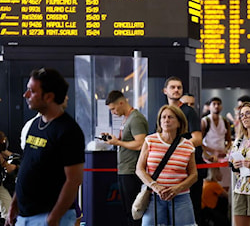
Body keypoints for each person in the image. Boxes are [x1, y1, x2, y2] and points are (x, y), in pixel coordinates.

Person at [6, 68, 85, 226]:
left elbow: (73, 180)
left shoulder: (68, 131)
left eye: (32, 91)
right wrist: (14, 204)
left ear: (49, 97)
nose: (26, 95)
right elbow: (26, 167)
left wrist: (53, 218)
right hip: (24, 215)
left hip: (49, 217)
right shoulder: (36, 124)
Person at [136, 105, 197, 226]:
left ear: (179, 122)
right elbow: (139, 169)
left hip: (181, 197)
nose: (166, 120)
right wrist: (155, 186)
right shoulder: (150, 140)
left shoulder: (188, 146)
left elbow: (194, 175)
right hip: (153, 196)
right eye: (163, 117)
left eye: (170, 117)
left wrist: (177, 189)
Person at [102, 90, 148, 226]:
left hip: (132, 171)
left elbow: (141, 143)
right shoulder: (127, 118)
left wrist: (118, 143)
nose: (113, 112)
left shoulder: (136, 118)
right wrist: (115, 140)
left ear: (121, 103)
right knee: (127, 210)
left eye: (113, 108)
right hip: (125, 170)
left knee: (134, 211)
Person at [163, 76, 204, 224]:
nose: (176, 90)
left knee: (191, 209)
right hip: (169, 170)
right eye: (173, 87)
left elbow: (197, 139)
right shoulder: (163, 112)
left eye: (179, 87)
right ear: (165, 90)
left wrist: (176, 149)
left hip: (188, 166)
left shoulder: (188, 112)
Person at [201, 97, 232, 190]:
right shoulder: (205, 121)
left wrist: (226, 150)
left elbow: (229, 140)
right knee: (210, 184)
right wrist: (212, 152)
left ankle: (225, 203)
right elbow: (199, 142)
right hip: (209, 158)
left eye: (218, 104)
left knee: (225, 183)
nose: (216, 106)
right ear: (209, 107)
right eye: (214, 104)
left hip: (222, 157)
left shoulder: (225, 121)